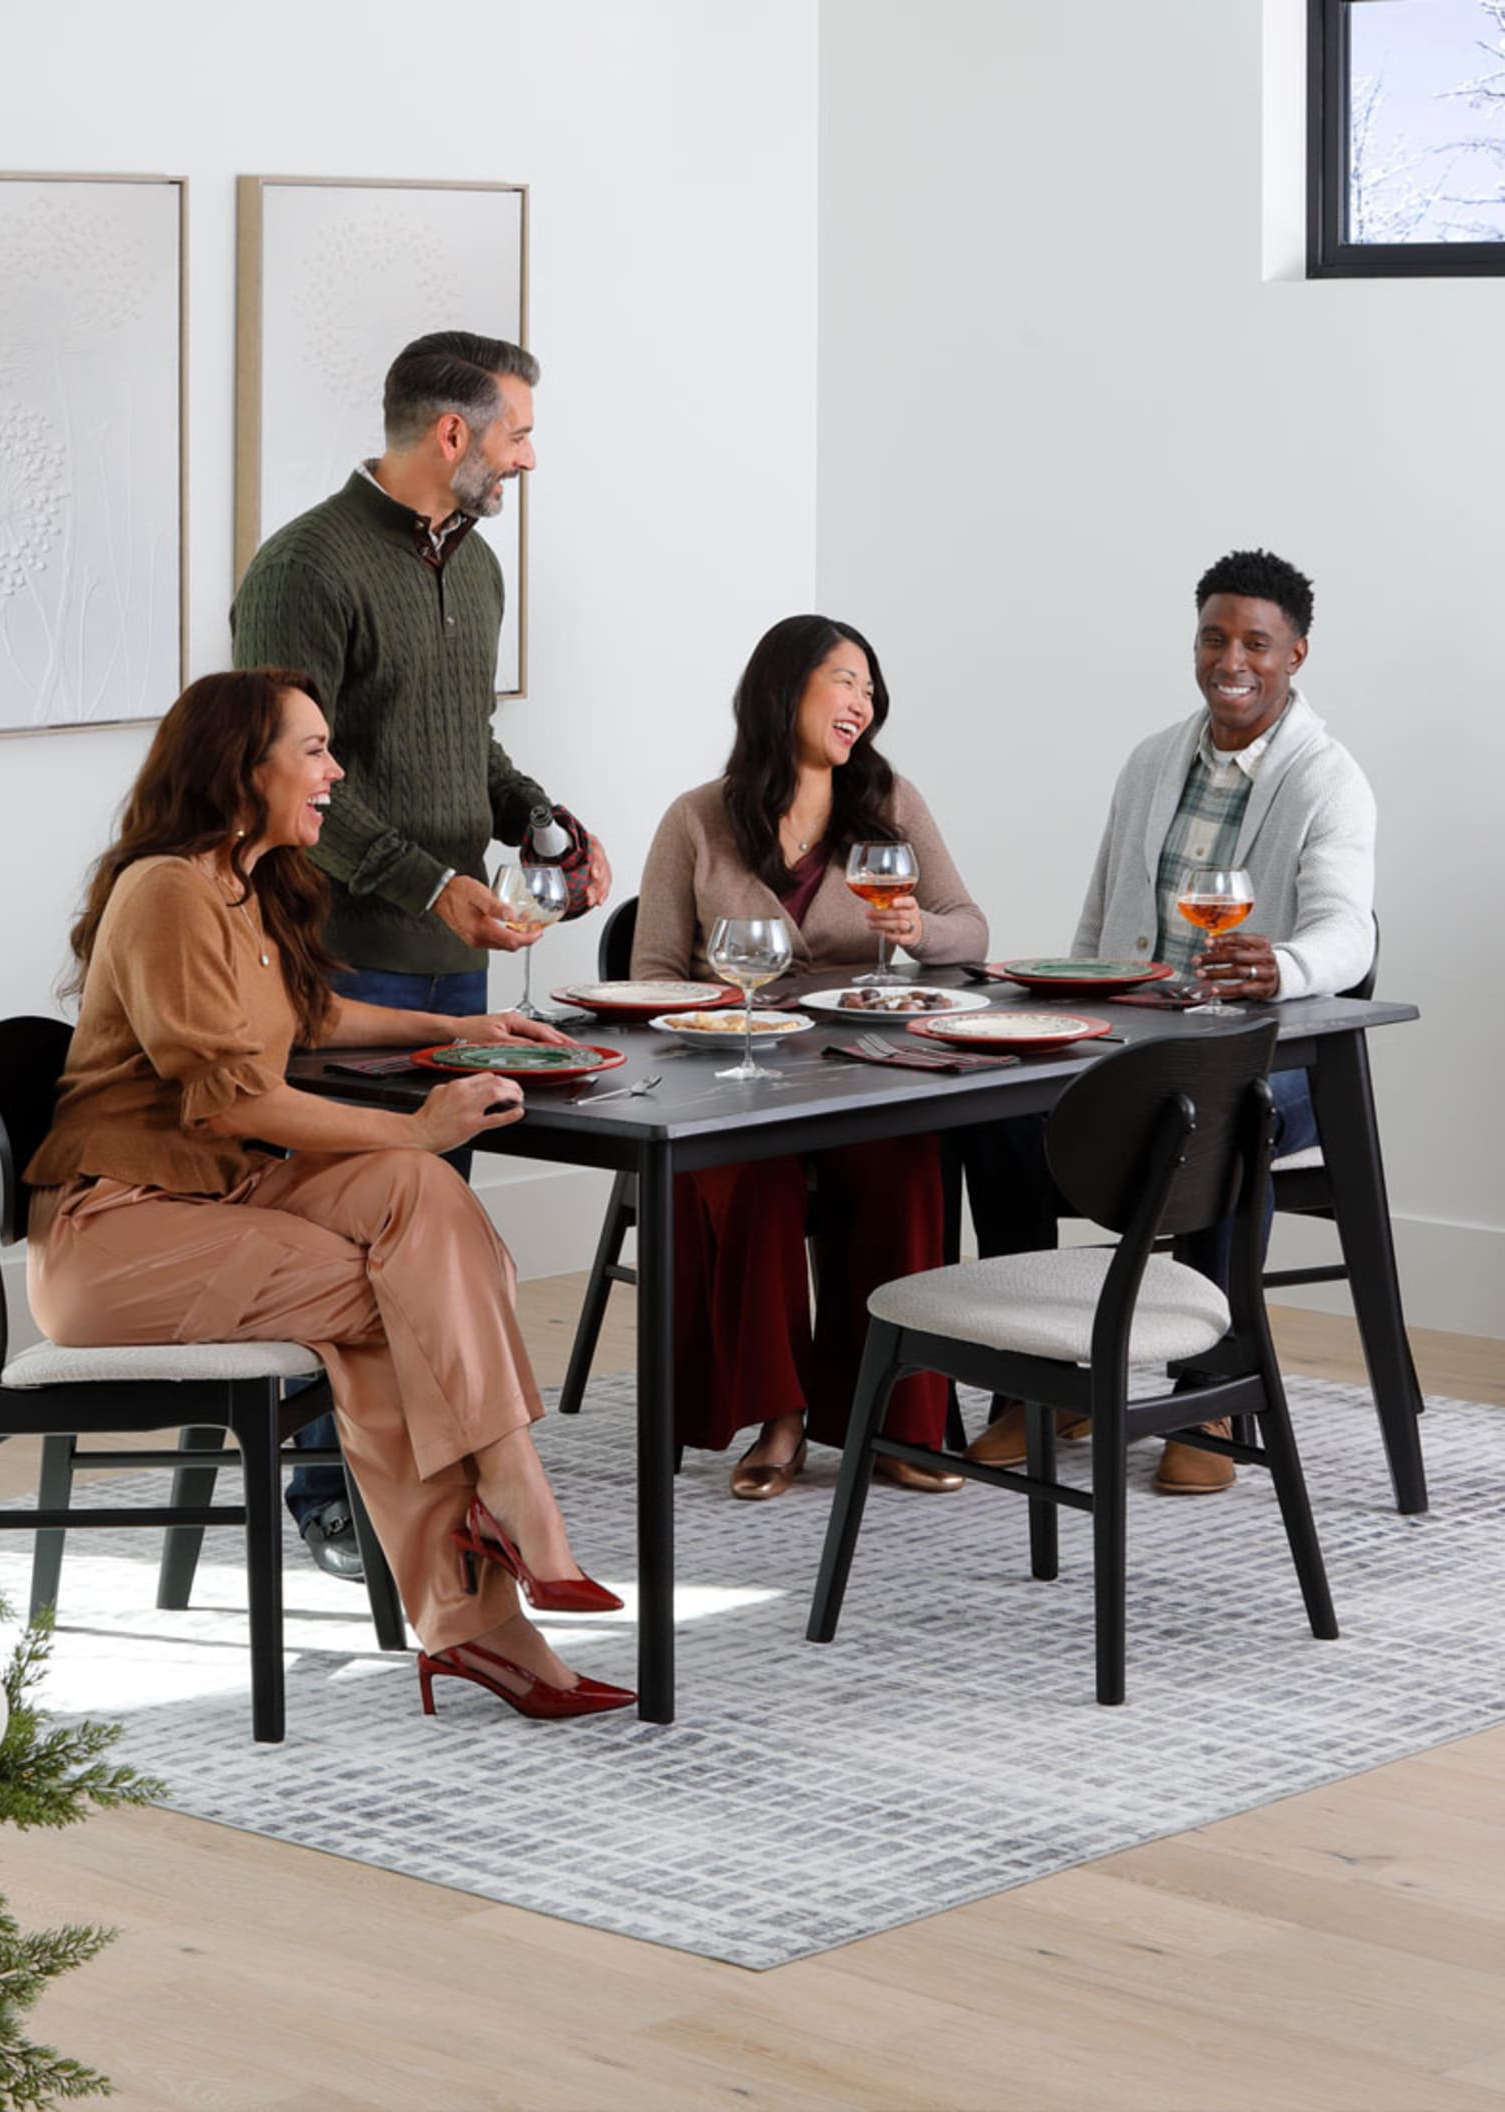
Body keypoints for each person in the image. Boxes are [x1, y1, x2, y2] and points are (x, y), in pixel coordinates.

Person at [23, 669, 633, 1722]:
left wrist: (465, 1035)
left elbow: (310, 1017)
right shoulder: (166, 889)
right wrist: (414, 1123)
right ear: (240, 768)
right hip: (115, 1240)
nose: (335, 771)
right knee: (402, 1280)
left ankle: (504, 1536)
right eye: (312, 750)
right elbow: (228, 1102)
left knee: (418, 1200)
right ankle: (493, 1577)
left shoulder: (239, 880)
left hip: (214, 1212)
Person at [232, 330, 611, 1578]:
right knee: (333, 1234)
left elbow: (467, 751)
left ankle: (436, 1489)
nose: (530, 457)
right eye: (518, 433)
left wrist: (546, 822)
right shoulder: (307, 568)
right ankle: (324, 1500)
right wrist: (431, 884)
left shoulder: (481, 566)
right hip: (337, 962)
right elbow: (289, 780)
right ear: (453, 435)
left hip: (456, 960)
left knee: (434, 1224)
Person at [964, 547, 1374, 1493]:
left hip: (1271, 1059)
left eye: (1257, 644)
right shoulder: (1152, 761)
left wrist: (1286, 966)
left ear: (1296, 655)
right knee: (996, 1118)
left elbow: (1348, 932)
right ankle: (1039, 1382)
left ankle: (1212, 1388)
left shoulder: (1329, 779)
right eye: (1215, 637)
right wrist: (1052, 1021)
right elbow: (1099, 920)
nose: (1233, 660)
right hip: (1134, 1041)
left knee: (1224, 1116)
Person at [632, 614, 988, 1500]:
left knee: (906, 1163)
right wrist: (726, 1011)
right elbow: (650, 978)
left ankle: (895, 1420)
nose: (863, 702)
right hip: (730, 1077)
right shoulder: (697, 819)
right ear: (784, 688)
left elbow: (969, 931)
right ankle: (779, 1416)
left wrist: (919, 929)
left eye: (870, 687)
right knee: (755, 1177)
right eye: (844, 680)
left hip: (862, 1067)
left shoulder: (891, 803)